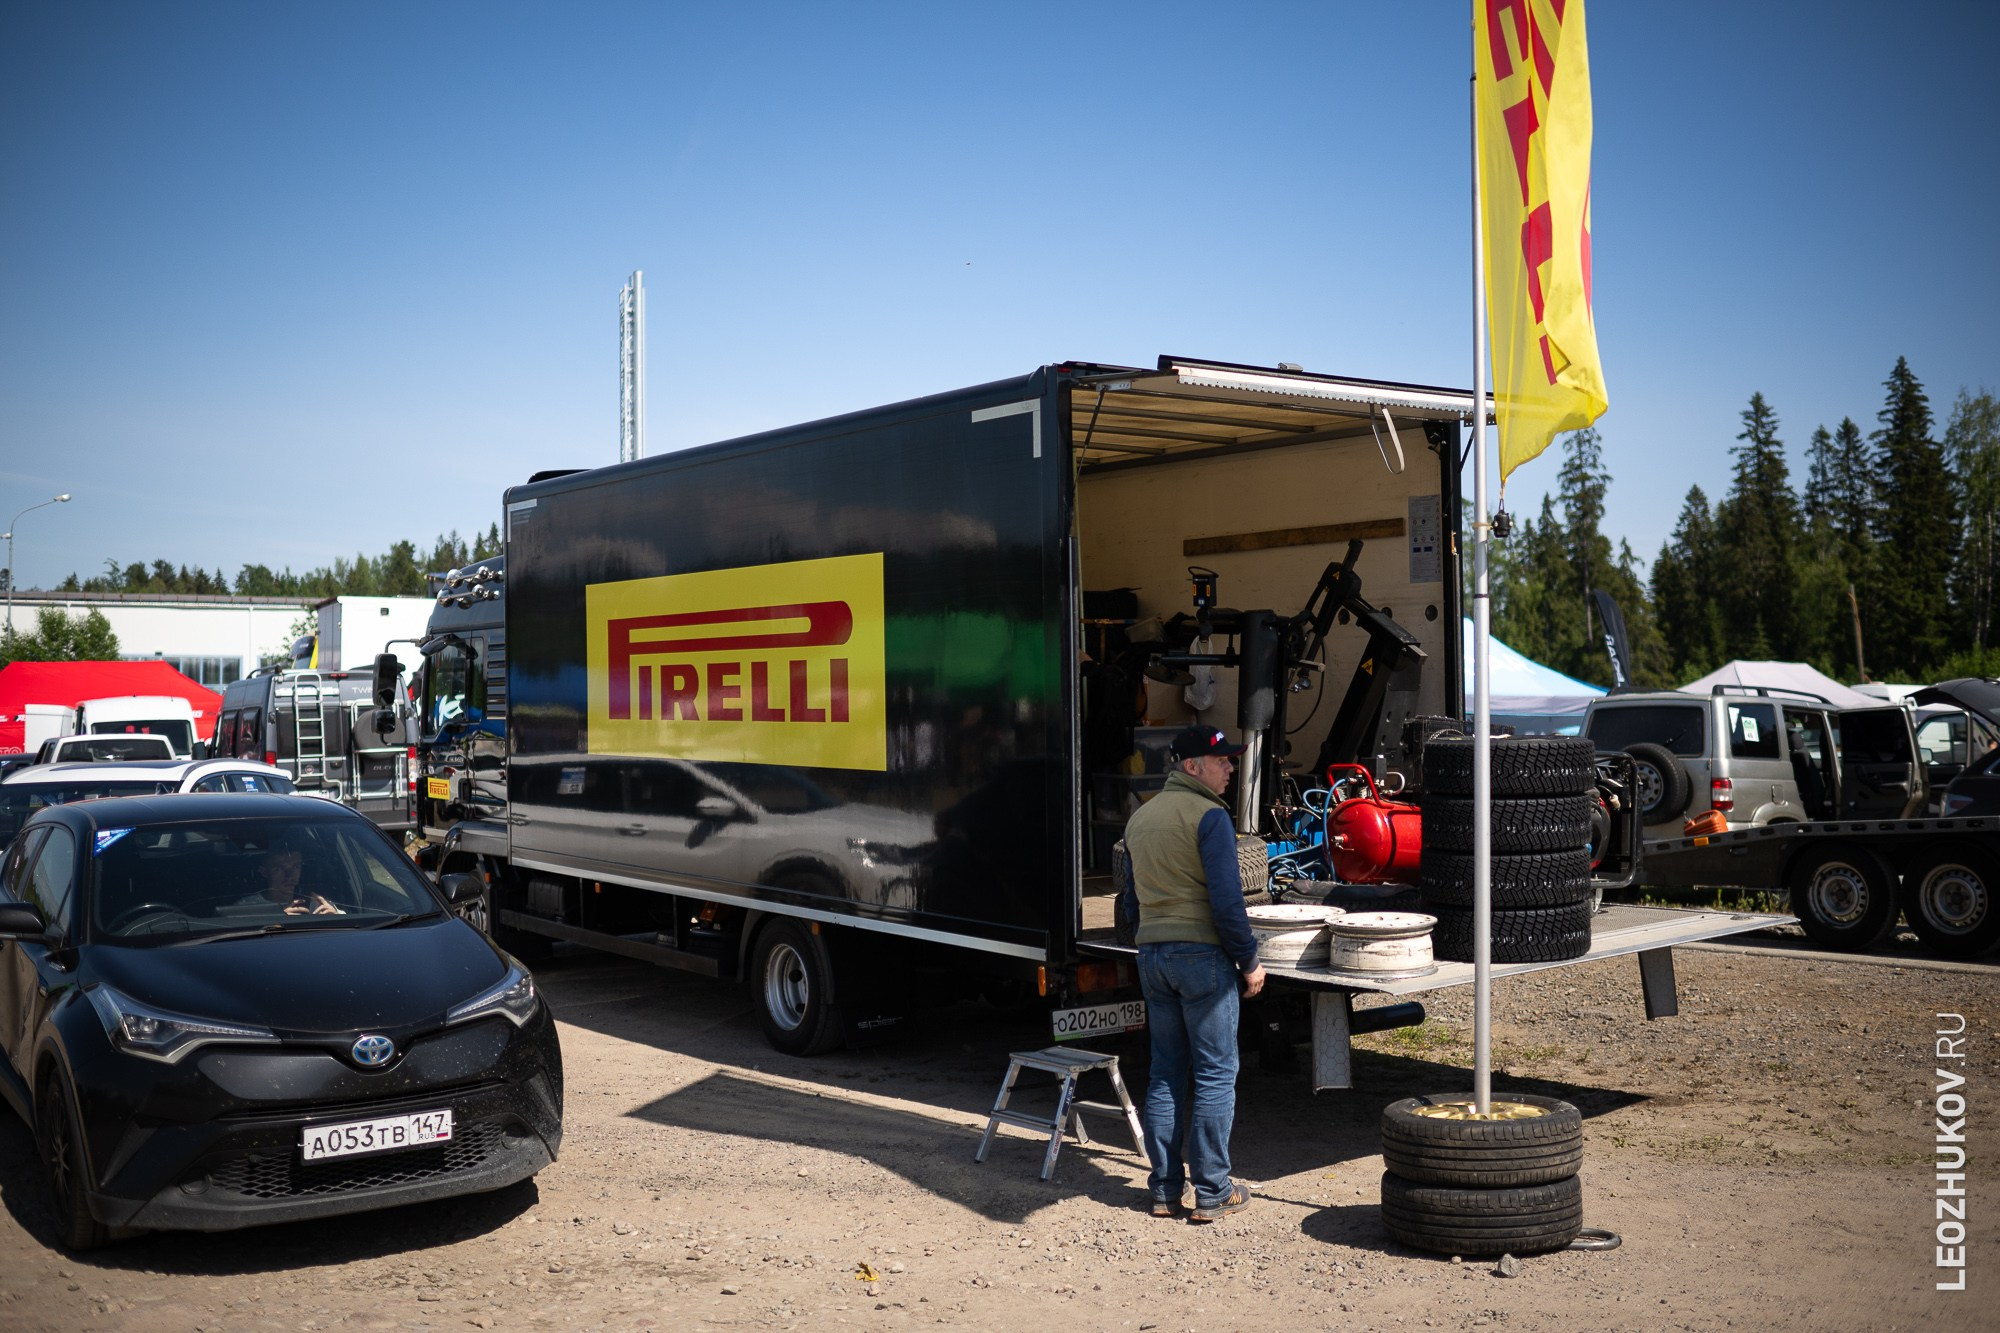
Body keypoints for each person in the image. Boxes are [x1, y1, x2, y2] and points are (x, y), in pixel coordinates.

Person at [1118, 723, 1265, 1223]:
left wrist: (1149, 940)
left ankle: (1163, 1189)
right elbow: (1228, 904)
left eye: (1230, 760)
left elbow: (1129, 902)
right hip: (1202, 956)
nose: (1230, 767)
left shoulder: (1140, 818)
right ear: (1191, 767)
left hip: (1153, 956)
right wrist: (1249, 959)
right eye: (1220, 760)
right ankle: (1212, 1191)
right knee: (1216, 1074)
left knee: (1164, 1072)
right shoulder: (1210, 815)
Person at [250, 841, 342, 916]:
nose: (289, 876)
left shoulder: (315, 904)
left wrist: (336, 917)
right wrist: (277, 922)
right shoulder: (249, 908)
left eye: (295, 867)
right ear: (264, 872)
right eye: (280, 868)